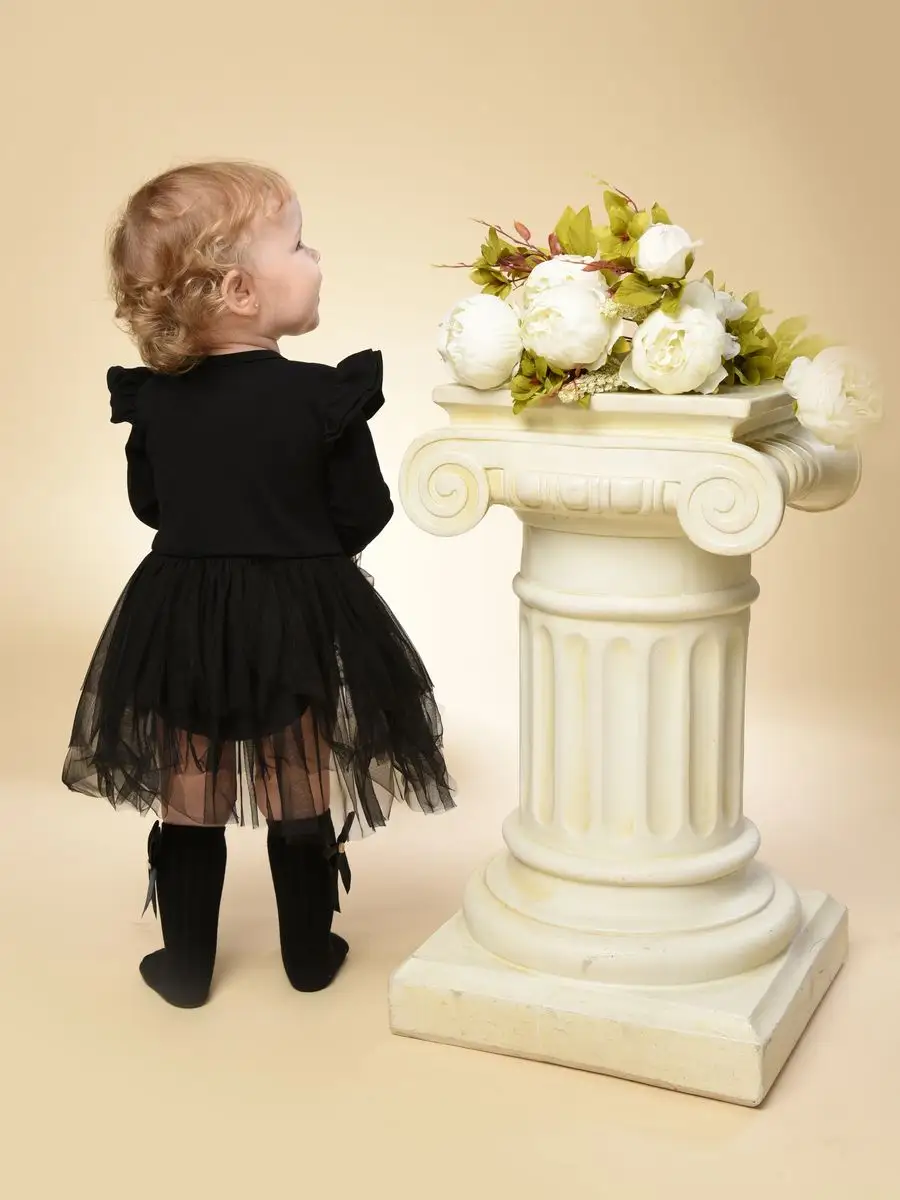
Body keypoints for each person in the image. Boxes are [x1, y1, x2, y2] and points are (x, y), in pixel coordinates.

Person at [62, 160, 455, 1009]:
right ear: (240, 290)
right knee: (296, 773)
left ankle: (186, 966)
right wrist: (304, 552)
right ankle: (308, 955)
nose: (316, 258)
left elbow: (151, 504)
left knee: (189, 785)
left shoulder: (156, 402)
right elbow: (363, 512)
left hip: (183, 612)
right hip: (296, 609)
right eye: (300, 244)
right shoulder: (324, 397)